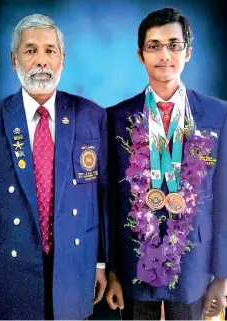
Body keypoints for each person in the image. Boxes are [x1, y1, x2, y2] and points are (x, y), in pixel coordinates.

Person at [0, 13, 108, 320]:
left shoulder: (91, 116)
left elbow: (102, 199)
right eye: (30, 50)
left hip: (75, 266)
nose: (41, 60)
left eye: (50, 51)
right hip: (9, 270)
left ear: (62, 59)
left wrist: (102, 263)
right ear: (14, 60)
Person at [106, 7, 227, 320]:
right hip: (133, 261)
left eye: (174, 45)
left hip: (194, 265)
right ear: (140, 54)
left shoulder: (217, 115)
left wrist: (222, 277)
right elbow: (109, 202)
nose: (164, 54)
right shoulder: (116, 117)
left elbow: (225, 199)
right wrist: (112, 272)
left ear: (188, 51)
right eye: (154, 45)